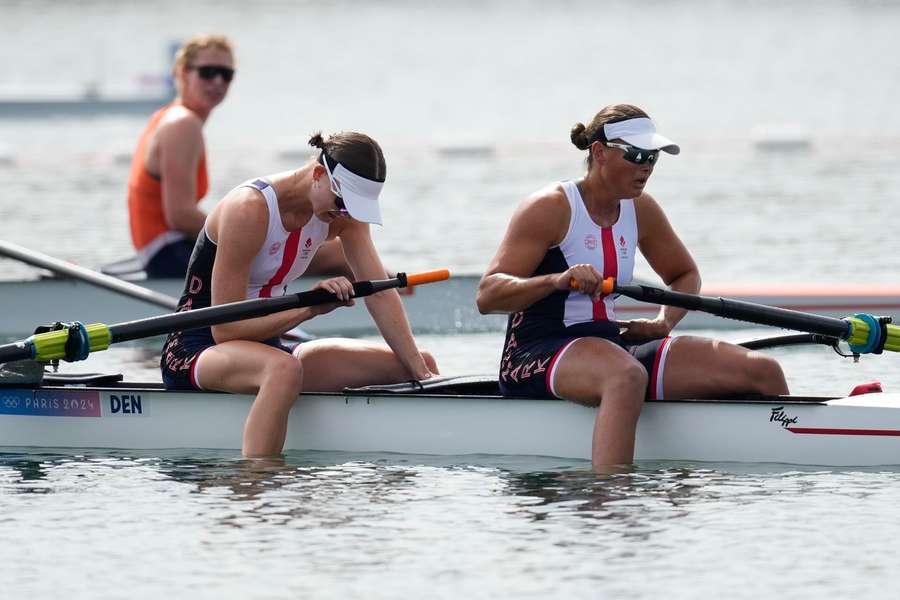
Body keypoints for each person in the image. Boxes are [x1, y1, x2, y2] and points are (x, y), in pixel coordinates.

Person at [476, 103, 788, 472]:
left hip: (611, 345)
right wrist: (557, 280)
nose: (646, 167)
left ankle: (785, 465)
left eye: (653, 157)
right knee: (625, 376)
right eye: (636, 154)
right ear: (599, 153)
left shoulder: (640, 210)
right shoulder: (550, 207)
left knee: (763, 371)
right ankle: (611, 499)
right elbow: (488, 295)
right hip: (534, 354)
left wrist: (662, 324)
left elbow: (684, 275)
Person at [161, 131, 439, 457]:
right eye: (342, 202)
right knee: (283, 370)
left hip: (270, 346)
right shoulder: (248, 210)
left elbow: (379, 294)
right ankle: (255, 483)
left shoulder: (342, 217)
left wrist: (421, 375)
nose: (346, 213)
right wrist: (310, 309)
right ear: (319, 175)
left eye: (355, 208)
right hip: (198, 346)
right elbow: (227, 330)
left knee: (419, 363)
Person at [126, 33, 349, 279]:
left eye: (226, 74)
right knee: (337, 253)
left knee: (319, 246)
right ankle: (394, 295)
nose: (218, 82)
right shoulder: (183, 124)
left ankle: (387, 292)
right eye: (207, 72)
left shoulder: (170, 116)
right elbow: (180, 216)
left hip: (162, 250)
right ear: (182, 73)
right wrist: (251, 232)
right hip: (170, 254)